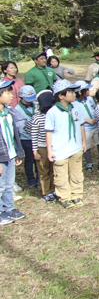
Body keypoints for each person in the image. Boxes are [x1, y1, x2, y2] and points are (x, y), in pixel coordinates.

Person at [45, 79, 86, 209]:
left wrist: (83, 142)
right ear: (61, 96)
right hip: (60, 150)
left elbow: (81, 126)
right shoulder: (52, 112)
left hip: (75, 147)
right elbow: (49, 132)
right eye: (71, 92)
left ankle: (77, 193)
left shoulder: (76, 109)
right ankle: (65, 197)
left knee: (76, 172)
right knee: (61, 174)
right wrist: (49, 150)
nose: (75, 94)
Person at [0, 79, 26, 225]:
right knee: (0, 185)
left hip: (10, 153)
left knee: (9, 184)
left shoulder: (9, 112)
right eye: (7, 92)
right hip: (1, 156)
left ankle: (9, 208)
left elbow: (15, 133)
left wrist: (18, 152)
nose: (11, 95)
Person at [27, 90, 56, 202]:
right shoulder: (37, 118)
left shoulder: (54, 115)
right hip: (42, 147)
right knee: (44, 170)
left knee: (53, 169)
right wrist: (35, 151)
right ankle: (46, 192)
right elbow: (33, 135)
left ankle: (54, 189)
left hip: (53, 146)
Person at [12, 85, 38, 186]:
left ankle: (39, 177)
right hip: (25, 138)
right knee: (29, 159)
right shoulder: (16, 110)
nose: (30, 102)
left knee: (37, 159)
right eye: (28, 100)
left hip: (36, 137)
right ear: (21, 97)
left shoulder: (36, 106)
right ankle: (30, 178)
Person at [73, 81, 99, 172]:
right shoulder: (74, 103)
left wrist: (96, 116)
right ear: (80, 92)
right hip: (85, 128)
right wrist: (87, 120)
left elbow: (94, 108)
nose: (89, 91)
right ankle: (89, 163)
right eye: (87, 90)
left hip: (96, 125)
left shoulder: (89, 99)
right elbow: (75, 117)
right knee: (87, 146)